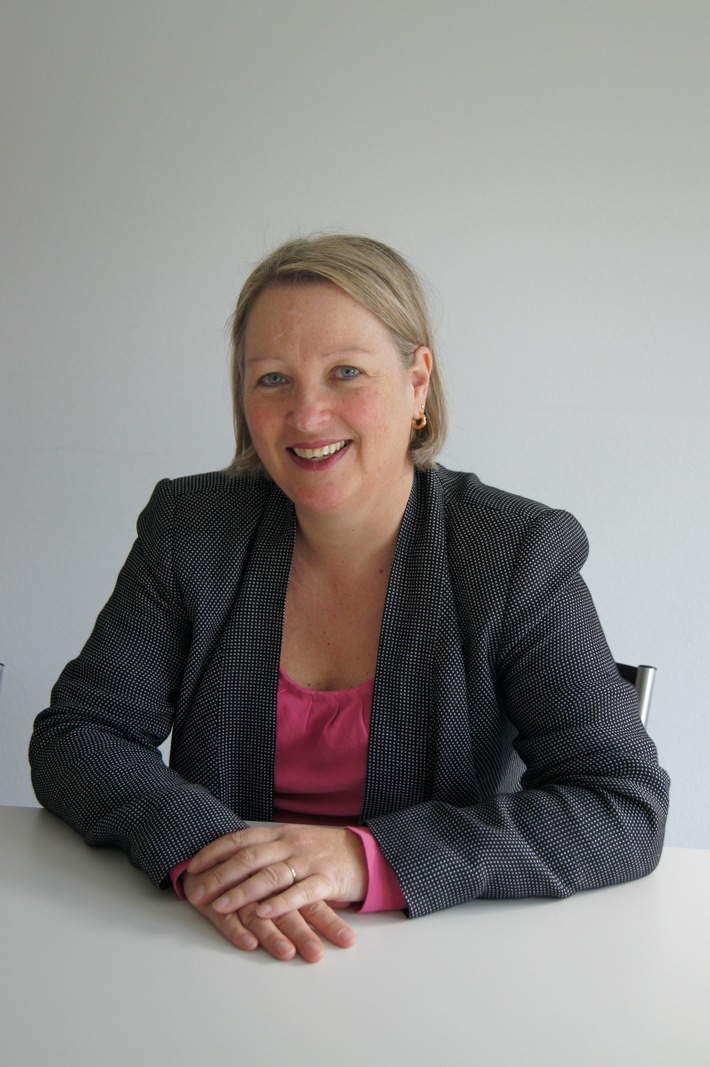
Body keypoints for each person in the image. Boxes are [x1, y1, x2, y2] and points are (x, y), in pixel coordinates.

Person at [30, 234, 669, 964]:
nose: (307, 415)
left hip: (435, 957)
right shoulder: (192, 528)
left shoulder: (512, 551)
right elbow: (78, 735)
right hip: (213, 947)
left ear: (417, 382)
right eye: (273, 379)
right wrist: (211, 849)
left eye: (346, 373)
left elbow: (622, 802)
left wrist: (363, 858)